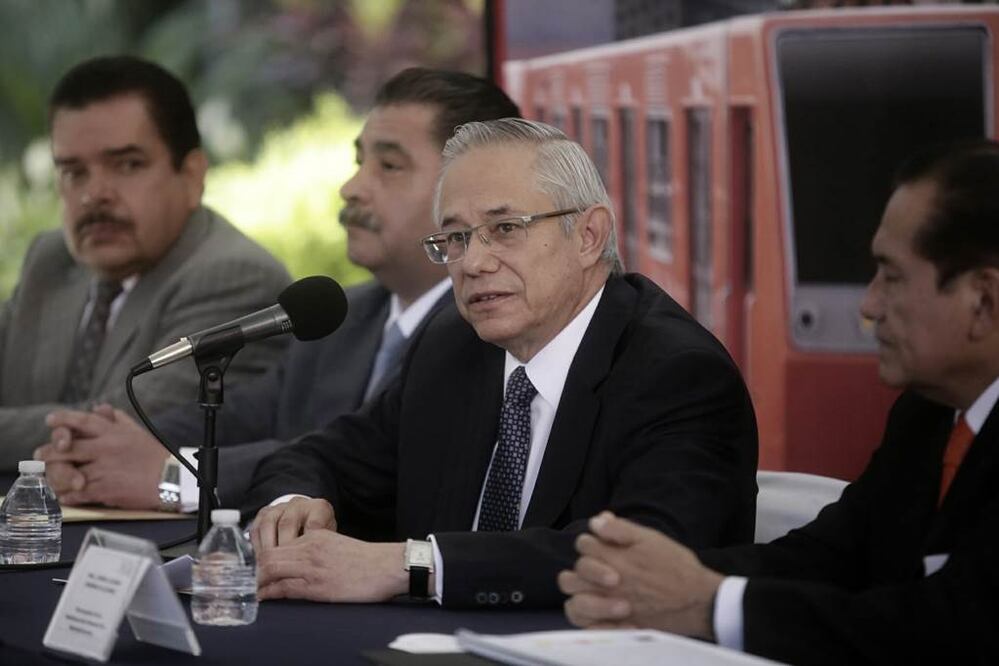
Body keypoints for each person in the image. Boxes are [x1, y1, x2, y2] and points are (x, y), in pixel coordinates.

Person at [244, 118, 758, 609]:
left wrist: (413, 565)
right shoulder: (454, 347)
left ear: (588, 236)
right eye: (456, 238)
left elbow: (636, 562)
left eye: (505, 227)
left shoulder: (677, 375)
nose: (472, 262)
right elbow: (319, 457)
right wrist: (293, 508)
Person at [558, 140, 999, 664]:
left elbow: (947, 627)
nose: (869, 305)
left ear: (983, 301)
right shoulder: (926, 414)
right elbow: (831, 556)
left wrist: (709, 604)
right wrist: (655, 579)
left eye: (893, 276)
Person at [33, 68, 522, 513]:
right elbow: (237, 414)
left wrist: (173, 478)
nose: (352, 187)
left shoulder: (487, 331)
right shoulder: (345, 313)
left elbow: (365, 460)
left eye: (389, 166)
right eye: (359, 161)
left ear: (470, 190)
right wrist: (96, 448)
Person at [0, 55, 290, 471]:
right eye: (73, 172)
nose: (93, 195)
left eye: (127, 165)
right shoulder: (52, 259)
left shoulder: (234, 276)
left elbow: (128, 429)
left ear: (192, 176)